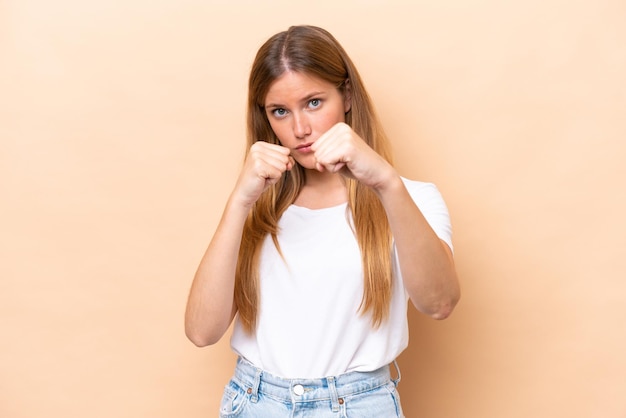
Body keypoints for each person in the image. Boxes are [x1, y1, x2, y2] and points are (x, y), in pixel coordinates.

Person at [184, 25, 460, 418]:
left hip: (359, 405)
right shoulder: (256, 205)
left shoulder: (411, 197)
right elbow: (201, 332)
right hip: (257, 402)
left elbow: (440, 303)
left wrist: (385, 183)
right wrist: (239, 202)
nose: (300, 129)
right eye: (280, 111)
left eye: (313, 102)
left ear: (346, 96)